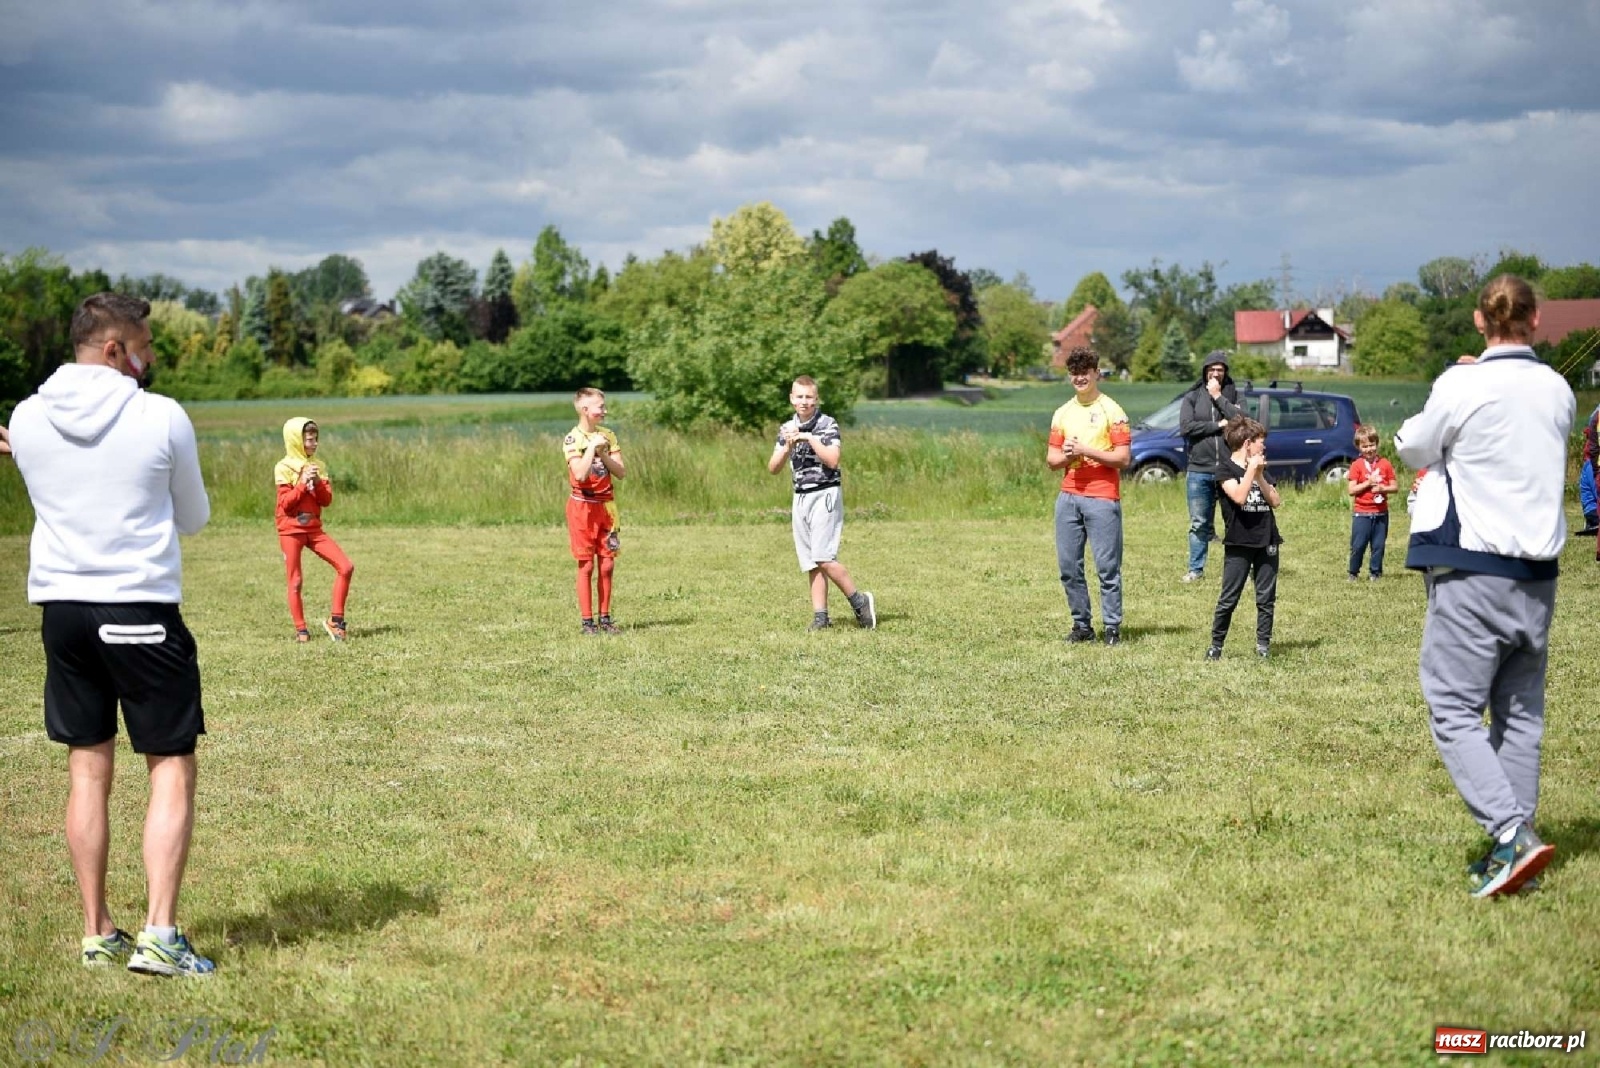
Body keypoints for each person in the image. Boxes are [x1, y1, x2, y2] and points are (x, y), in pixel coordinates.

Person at [4, 292, 215, 975]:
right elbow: (193, 517)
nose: (153, 356)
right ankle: (159, 935)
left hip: (62, 611)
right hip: (139, 609)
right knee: (169, 764)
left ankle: (97, 932)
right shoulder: (162, 416)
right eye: (146, 343)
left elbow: (54, 481)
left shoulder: (27, 418)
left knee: (87, 769)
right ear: (116, 349)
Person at [1396, 273, 1574, 898]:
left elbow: (1414, 446)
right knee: (1520, 717)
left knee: (1451, 706)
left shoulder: (1463, 383)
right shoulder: (1558, 389)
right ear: (1536, 319)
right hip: (1540, 579)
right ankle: (1517, 853)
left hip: (1475, 569)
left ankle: (1509, 834)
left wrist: (1455, 379)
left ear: (1480, 320)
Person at [768, 376, 876, 630]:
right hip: (800, 496)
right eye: (799, 397)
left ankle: (860, 601)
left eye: (809, 397)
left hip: (825, 493)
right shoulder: (786, 428)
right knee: (810, 561)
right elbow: (773, 468)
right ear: (791, 399)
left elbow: (833, 459)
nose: (804, 402)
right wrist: (786, 446)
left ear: (816, 399)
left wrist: (808, 438)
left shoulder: (827, 424)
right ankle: (821, 617)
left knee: (823, 556)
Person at [1047, 346, 1131, 645]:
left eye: (1085, 372)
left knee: (1107, 567)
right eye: (1074, 373)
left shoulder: (1112, 410)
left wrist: (1086, 451)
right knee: (1069, 567)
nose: (1079, 378)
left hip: (1102, 496)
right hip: (1068, 496)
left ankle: (1111, 627)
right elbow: (1052, 460)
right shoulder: (1063, 413)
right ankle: (1082, 626)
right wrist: (1069, 456)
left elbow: (1123, 458)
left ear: (1096, 373)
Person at [1205, 416, 1281, 660]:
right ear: (1248, 443)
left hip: (1267, 539)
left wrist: (1259, 475)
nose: (1264, 446)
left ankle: (1263, 646)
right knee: (1229, 597)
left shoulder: (1261, 469)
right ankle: (1216, 645)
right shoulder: (1224, 469)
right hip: (1240, 541)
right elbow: (1238, 496)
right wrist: (1250, 471)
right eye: (1260, 442)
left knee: (1266, 597)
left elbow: (1276, 501)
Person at [274, 417, 354, 642]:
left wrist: (317, 481)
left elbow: (326, 500)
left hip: (314, 529)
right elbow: (286, 505)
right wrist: (301, 483)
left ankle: (336, 621)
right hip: (290, 530)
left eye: (316, 438)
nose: (314, 443)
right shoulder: (283, 467)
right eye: (309, 439)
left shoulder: (320, 465)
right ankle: (301, 630)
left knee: (346, 567)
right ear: (297, 441)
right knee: (296, 580)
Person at [1177, 351, 1244, 582]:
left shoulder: (1233, 394)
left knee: (1235, 521)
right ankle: (1196, 569)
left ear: (1225, 372)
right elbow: (1186, 427)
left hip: (1228, 469)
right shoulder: (1193, 396)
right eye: (1212, 369)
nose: (1216, 373)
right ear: (1205, 371)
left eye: (1220, 369)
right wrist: (1218, 425)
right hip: (1199, 469)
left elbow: (1241, 421)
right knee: (1199, 523)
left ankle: (1237, 569)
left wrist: (1218, 397)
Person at [564, 387, 626, 634]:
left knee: (608, 563)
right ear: (585, 410)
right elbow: (579, 474)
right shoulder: (572, 439)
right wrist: (591, 448)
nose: (605, 410)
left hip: (607, 506)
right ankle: (587, 622)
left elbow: (620, 472)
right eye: (600, 406)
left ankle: (606, 618)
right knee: (586, 565)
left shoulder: (608, 436)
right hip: (582, 507)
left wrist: (603, 452)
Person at [1346, 425, 1397, 581]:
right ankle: (1353, 572)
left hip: (1381, 513)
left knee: (1378, 546)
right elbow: (1352, 490)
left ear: (1377, 444)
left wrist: (1383, 488)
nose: (1369, 449)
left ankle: (1375, 572)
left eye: (1372, 445)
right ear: (1359, 447)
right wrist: (1368, 483)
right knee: (1358, 545)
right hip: (1362, 513)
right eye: (1365, 446)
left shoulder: (1385, 464)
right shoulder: (1356, 465)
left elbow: (1395, 487)